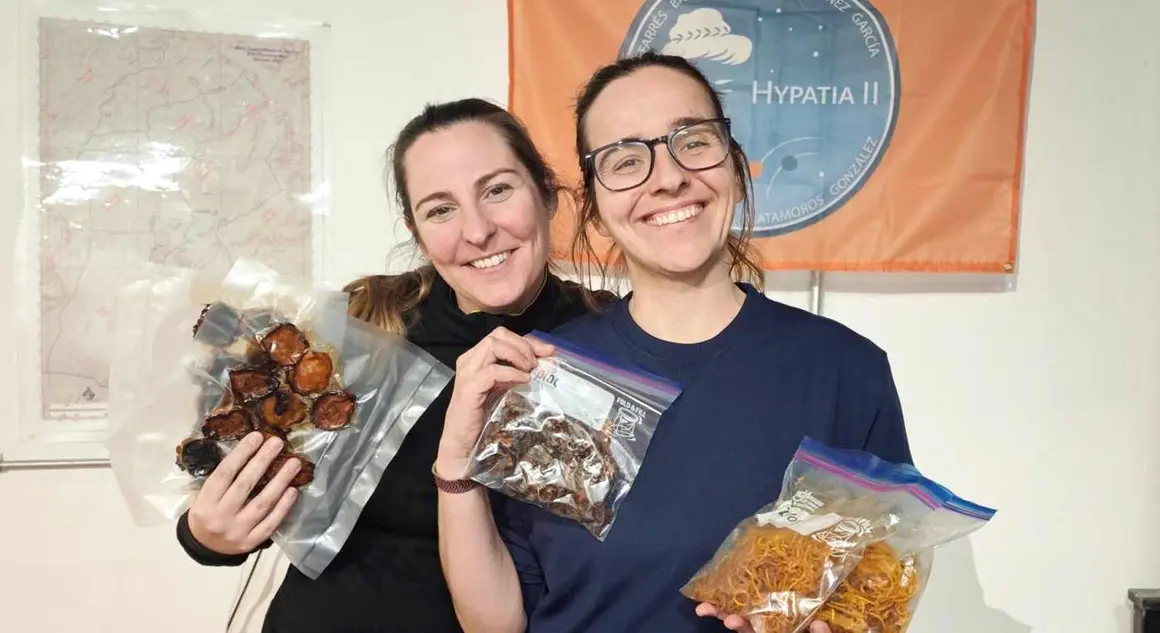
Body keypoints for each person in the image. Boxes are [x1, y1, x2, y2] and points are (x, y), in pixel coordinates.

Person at [433, 52, 914, 633]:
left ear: (734, 166)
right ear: (594, 207)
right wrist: (454, 461)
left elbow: (876, 598)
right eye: (625, 159)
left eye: (693, 141)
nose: (668, 178)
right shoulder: (552, 374)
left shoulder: (844, 370)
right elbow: (498, 625)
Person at [173, 98, 612, 632]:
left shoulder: (616, 345)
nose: (477, 231)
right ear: (415, 228)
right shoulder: (358, 330)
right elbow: (237, 488)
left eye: (497, 190)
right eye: (440, 209)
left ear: (545, 190)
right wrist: (209, 535)